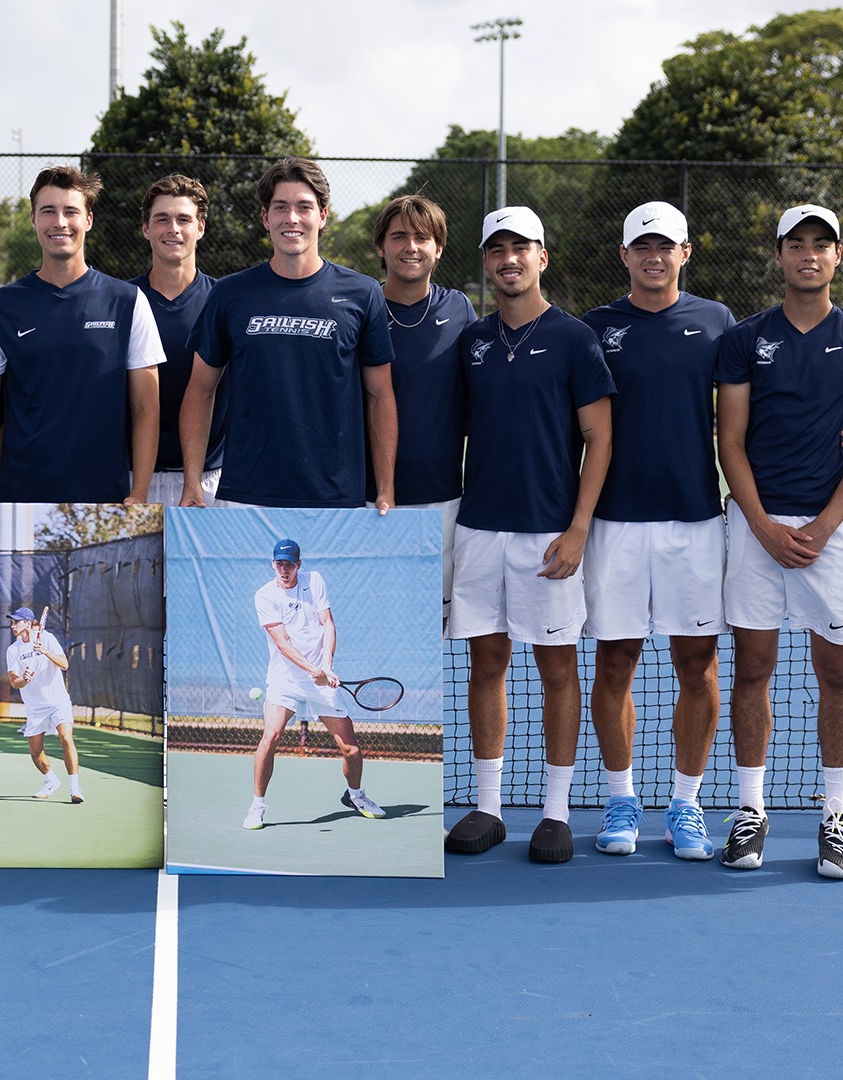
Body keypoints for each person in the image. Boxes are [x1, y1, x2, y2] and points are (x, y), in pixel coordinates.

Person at [713, 203, 843, 879]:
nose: (809, 254)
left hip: (833, 534)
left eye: (822, 244)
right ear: (780, 255)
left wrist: (821, 527)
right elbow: (730, 440)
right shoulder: (745, 339)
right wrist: (763, 526)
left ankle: (836, 817)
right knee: (752, 669)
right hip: (754, 528)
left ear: (838, 256)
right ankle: (750, 811)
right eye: (797, 244)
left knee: (837, 674)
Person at [442, 207, 614, 865]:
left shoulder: (575, 338)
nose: (509, 259)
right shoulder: (471, 341)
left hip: (549, 534)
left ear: (542, 257)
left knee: (556, 668)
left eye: (521, 248)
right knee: (485, 664)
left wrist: (578, 529)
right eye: (497, 250)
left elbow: (599, 438)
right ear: (486, 262)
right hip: (479, 529)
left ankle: (555, 813)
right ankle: (488, 808)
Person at [577, 202, 737, 860]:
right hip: (613, 524)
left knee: (697, 665)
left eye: (665, 246)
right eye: (641, 246)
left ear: (684, 253)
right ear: (624, 255)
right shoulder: (595, 328)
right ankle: (621, 799)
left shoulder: (717, 322)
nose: (653, 256)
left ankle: (685, 803)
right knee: (615, 661)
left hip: (694, 523)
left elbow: (752, 412)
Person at [180, 157, 397, 511]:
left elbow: (380, 395)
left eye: (304, 207)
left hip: (336, 499)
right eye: (280, 207)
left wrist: (386, 488)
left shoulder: (363, 293)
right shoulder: (229, 293)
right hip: (245, 497)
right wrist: (192, 482)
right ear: (266, 217)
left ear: (322, 216)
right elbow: (201, 390)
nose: (291, 218)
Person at [0, 166, 162, 504]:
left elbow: (145, 407)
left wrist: (139, 493)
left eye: (70, 211)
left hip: (105, 502)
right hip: (21, 500)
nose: (60, 222)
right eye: (48, 211)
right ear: (33, 219)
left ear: (88, 220)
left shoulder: (128, 301)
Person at [369, 194, 475, 618]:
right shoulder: (361, 305)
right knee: (374, 622)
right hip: (369, 500)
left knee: (431, 627)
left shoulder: (460, 308)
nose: (410, 247)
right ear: (381, 247)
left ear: (439, 247)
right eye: (398, 237)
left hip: (441, 499)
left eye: (422, 237)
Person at [244, 539, 384, 829]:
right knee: (271, 736)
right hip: (285, 678)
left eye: (289, 564)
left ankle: (355, 795)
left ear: (299, 565)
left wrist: (327, 666)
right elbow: (282, 643)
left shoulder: (314, 581)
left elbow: (327, 624)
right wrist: (313, 669)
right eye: (279, 564)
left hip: (321, 680)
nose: (284, 570)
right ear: (272, 564)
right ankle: (257, 805)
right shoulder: (265, 595)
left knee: (352, 750)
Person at [130, 174, 224, 506]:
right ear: (146, 228)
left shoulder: (224, 300)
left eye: (183, 219)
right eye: (162, 219)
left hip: (209, 479)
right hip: (133, 480)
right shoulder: (121, 301)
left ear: (200, 228)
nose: (173, 229)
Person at [4, 607, 82, 803]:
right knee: (35, 753)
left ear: (28, 623)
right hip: (35, 707)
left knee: (66, 739)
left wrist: (45, 652)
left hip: (58, 701)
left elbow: (64, 664)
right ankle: (51, 781)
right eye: (12, 622)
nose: (13, 625)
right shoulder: (13, 650)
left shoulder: (47, 639)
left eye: (16, 622)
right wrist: (24, 679)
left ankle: (75, 789)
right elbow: (14, 681)